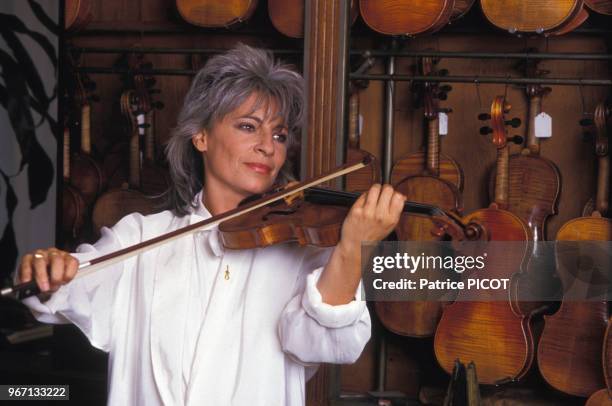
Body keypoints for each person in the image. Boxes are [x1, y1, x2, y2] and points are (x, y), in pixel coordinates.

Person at [16, 44, 406, 406]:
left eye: (280, 134)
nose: (268, 147)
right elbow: (61, 295)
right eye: (249, 126)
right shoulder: (141, 236)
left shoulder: (305, 250)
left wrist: (353, 248)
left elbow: (326, 342)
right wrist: (45, 267)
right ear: (200, 135)